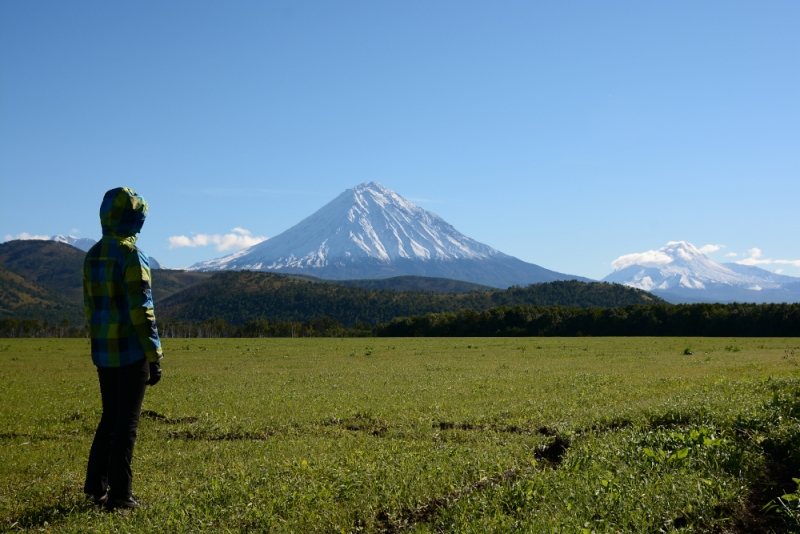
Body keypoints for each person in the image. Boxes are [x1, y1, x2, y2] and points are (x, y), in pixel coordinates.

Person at [82, 187, 164, 510]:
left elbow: (90, 307)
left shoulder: (92, 256)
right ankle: (120, 495)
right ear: (135, 218)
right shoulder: (132, 256)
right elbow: (143, 311)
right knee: (126, 425)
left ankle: (95, 487)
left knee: (109, 419)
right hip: (131, 354)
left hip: (103, 353)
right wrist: (154, 356)